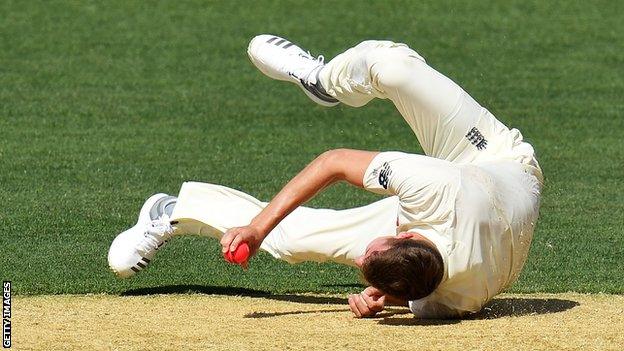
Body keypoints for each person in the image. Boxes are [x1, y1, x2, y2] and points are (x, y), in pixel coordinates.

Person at [108, 35, 543, 319]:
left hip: (494, 218)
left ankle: (172, 211)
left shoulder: (449, 300)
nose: (359, 260)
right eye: (373, 253)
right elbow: (333, 162)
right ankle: (322, 79)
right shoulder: (434, 189)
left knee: (291, 242)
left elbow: (422, 295)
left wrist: (385, 296)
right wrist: (257, 228)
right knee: (389, 66)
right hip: (493, 158)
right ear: (406, 236)